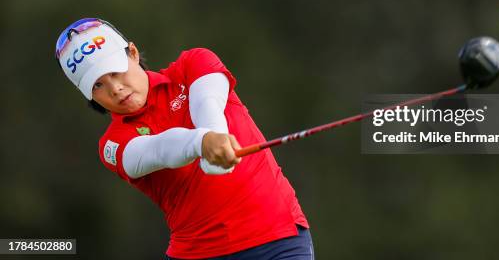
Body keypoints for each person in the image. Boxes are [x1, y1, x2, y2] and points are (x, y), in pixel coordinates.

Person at [55, 18, 314, 260]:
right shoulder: (112, 145)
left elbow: (208, 103)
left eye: (115, 72)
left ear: (132, 53)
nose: (114, 88)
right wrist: (202, 143)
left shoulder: (193, 64)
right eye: (97, 85)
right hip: (198, 253)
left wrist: (214, 135)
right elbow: (159, 149)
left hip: (279, 238)